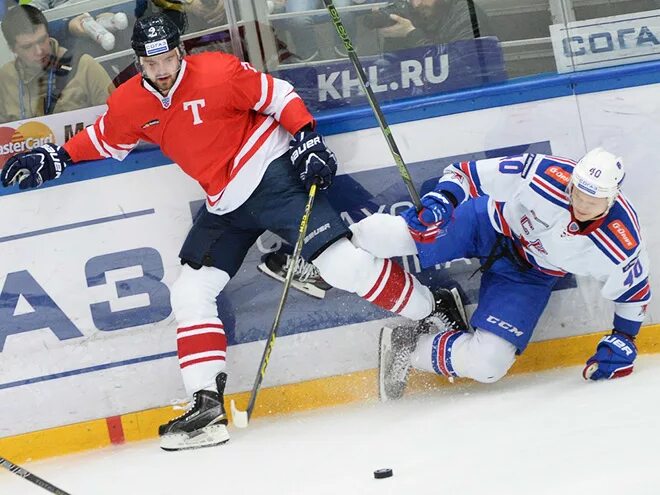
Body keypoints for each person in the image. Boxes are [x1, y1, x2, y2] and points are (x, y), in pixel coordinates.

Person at [0, 13, 442, 451]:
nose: (162, 71)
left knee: (342, 265)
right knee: (190, 292)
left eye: (168, 60)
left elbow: (278, 94)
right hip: (224, 201)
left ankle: (431, 312)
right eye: (151, 64)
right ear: (138, 62)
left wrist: (307, 138)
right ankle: (206, 405)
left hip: (270, 173)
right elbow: (105, 137)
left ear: (179, 52)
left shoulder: (217, 70)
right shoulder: (130, 101)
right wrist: (56, 156)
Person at [338, 148, 649, 399]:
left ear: (611, 199)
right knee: (385, 236)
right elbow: (464, 173)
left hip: (527, 276)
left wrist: (624, 337)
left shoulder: (622, 239)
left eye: (592, 201)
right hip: (485, 222)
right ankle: (326, 251)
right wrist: (443, 199)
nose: (580, 204)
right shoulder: (543, 172)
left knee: (488, 365)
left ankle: (407, 346)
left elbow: (634, 291)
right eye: (577, 192)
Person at [0, 5, 114, 123]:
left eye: (42, 40)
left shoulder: (83, 66)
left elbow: (117, 115)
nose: (39, 51)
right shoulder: (5, 77)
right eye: (28, 46)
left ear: (48, 34)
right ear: (12, 49)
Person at [370, 0, 495, 52]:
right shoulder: (416, 14)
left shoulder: (466, 13)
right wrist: (394, 37)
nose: (416, 4)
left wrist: (411, 34)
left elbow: (457, 66)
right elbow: (395, 70)